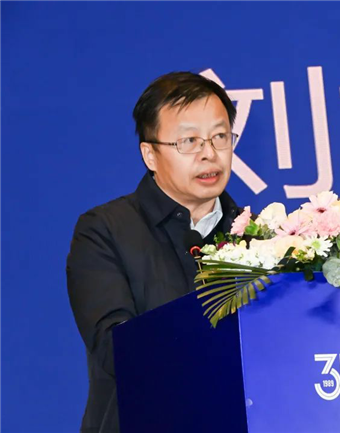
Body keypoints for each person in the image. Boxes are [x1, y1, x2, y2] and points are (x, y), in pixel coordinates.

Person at [66, 72, 243, 433]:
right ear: (150, 154)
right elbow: (116, 348)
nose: (209, 154)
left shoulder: (259, 236)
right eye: (189, 141)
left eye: (220, 137)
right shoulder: (105, 231)